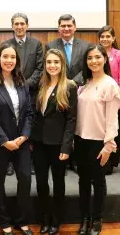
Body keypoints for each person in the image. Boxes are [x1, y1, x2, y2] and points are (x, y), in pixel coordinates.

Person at [0, 44, 34, 235]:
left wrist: (25, 135)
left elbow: (29, 113)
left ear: (17, 60)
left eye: (13, 57)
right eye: (5, 56)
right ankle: (4, 222)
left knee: (26, 179)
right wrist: (5, 141)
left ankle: (22, 220)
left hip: (21, 141)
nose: (9, 60)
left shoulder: (23, 82)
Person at [74, 45, 120, 235]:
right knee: (83, 181)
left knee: (98, 182)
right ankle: (85, 218)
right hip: (81, 140)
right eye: (90, 58)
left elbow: (112, 119)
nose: (93, 61)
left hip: (99, 142)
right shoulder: (84, 83)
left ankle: (97, 220)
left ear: (105, 59)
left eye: (97, 57)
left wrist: (109, 145)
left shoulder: (110, 85)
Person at [31, 49, 77, 235]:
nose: (52, 65)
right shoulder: (41, 85)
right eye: (49, 62)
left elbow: (72, 120)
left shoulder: (70, 86)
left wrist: (67, 146)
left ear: (62, 64)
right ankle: (44, 219)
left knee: (58, 184)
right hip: (39, 144)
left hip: (58, 145)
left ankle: (56, 220)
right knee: (42, 183)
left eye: (56, 62)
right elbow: (35, 115)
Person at [46, 14, 89, 173]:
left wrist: (71, 84)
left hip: (79, 90)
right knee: (61, 124)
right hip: (56, 92)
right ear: (59, 28)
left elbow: (86, 69)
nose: (66, 28)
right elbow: (50, 67)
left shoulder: (85, 46)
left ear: (75, 27)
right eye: (63, 26)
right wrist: (62, 84)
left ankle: (75, 160)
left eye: (69, 25)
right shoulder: (50, 45)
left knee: (76, 124)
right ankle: (62, 160)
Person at [2, 13, 43, 176]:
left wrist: (24, 86)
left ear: (27, 26)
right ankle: (11, 162)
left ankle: (29, 161)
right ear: (12, 26)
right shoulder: (6, 44)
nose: (19, 26)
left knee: (29, 128)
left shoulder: (36, 44)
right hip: (9, 94)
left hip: (30, 94)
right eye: (16, 24)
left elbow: (40, 69)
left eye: (22, 24)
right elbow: (4, 67)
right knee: (11, 126)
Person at [98, 25, 120, 174]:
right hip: (99, 99)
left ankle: (111, 162)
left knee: (113, 130)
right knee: (101, 131)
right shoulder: (96, 53)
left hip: (114, 100)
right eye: (102, 36)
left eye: (108, 36)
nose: (105, 39)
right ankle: (100, 160)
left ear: (113, 38)